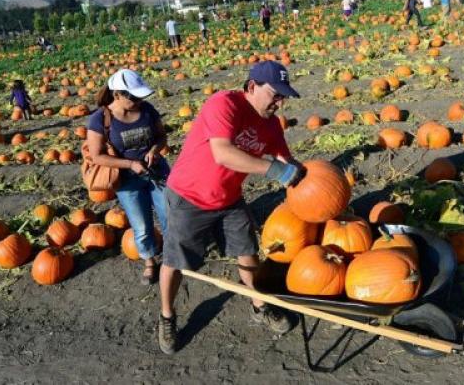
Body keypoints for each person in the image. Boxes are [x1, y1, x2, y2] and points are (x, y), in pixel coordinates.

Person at [157, 60, 304, 355]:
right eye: (275, 94)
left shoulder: (271, 123)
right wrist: (274, 170)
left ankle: (259, 305)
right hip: (189, 197)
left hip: (229, 197)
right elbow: (222, 153)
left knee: (247, 252)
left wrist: (306, 176)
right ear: (252, 87)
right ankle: (167, 316)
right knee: (176, 261)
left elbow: (285, 159)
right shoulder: (223, 104)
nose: (280, 102)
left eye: (284, 96)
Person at [86, 69, 169, 285]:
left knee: (170, 215)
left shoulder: (147, 110)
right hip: (128, 181)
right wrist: (130, 164)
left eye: (140, 96)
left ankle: (173, 256)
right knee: (141, 225)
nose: (139, 100)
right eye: (133, 96)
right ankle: (150, 262)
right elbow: (97, 156)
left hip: (157, 173)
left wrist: (155, 150)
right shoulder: (100, 119)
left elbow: (162, 137)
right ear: (117, 95)